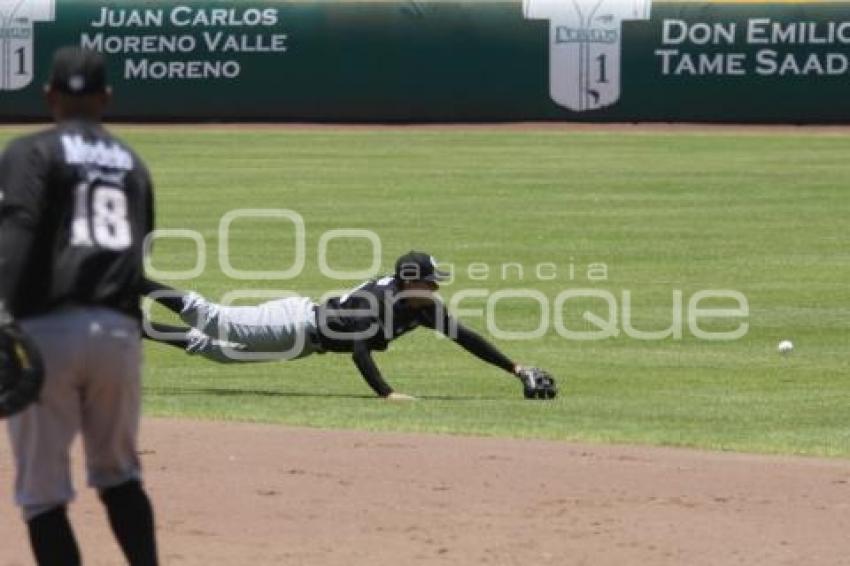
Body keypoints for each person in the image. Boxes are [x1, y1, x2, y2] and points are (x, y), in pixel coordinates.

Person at [0, 47, 158, 565]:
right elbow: (137, 254)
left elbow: (18, 233)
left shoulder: (31, 151)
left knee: (43, 495)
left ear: (48, 96)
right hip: (117, 333)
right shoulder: (134, 164)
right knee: (119, 476)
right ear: (106, 98)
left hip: (45, 331)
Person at [142, 251, 557, 400]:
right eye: (429, 280)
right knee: (215, 319)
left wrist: (515, 368)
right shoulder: (373, 303)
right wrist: (387, 393)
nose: (435, 286)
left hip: (304, 342)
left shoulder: (422, 306)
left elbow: (466, 337)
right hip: (292, 322)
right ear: (409, 281)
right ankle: (132, 280)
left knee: (215, 350)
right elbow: (359, 350)